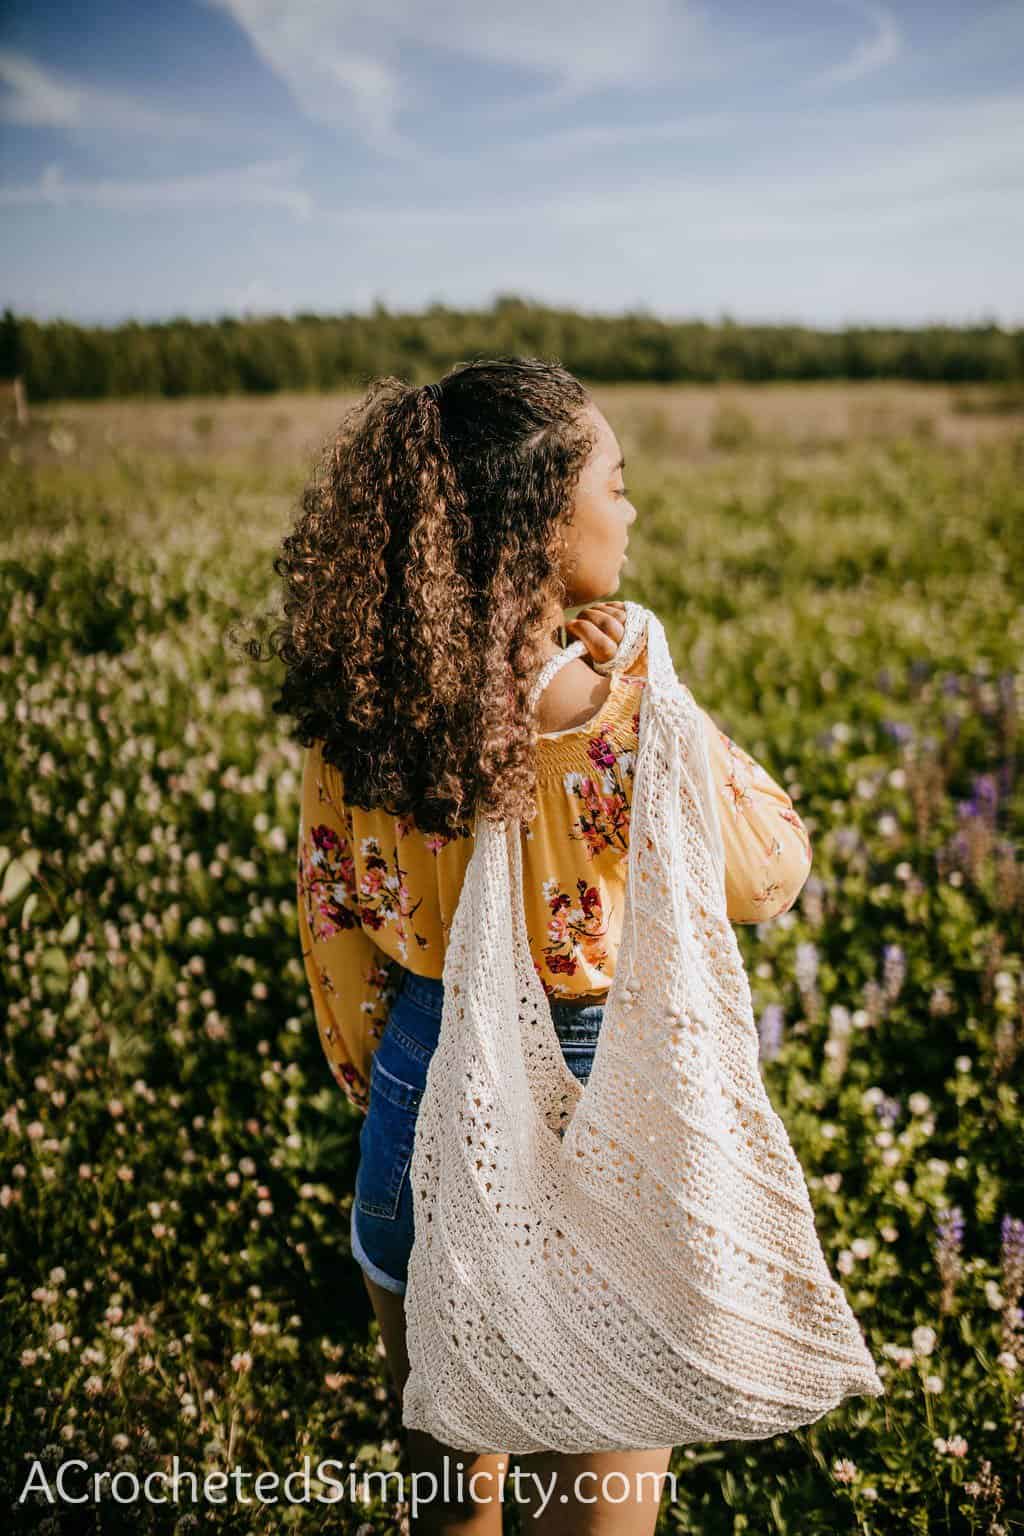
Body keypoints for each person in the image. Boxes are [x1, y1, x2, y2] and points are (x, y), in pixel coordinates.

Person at [280, 357, 812, 1534]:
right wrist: (648, 681)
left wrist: (403, 1092)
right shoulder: (624, 709)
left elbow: (336, 934)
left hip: (416, 1112)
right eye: (613, 482)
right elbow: (769, 869)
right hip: (601, 1123)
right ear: (540, 520)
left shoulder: (359, 714)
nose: (631, 508)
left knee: (450, 1510)